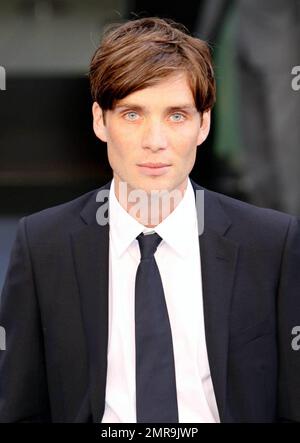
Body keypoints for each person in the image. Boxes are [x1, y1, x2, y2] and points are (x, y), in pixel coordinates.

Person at [0, 17, 300, 423]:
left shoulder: (270, 244)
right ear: (99, 121)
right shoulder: (43, 245)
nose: (154, 141)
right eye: (132, 114)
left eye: (176, 115)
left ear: (204, 123)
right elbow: (20, 407)